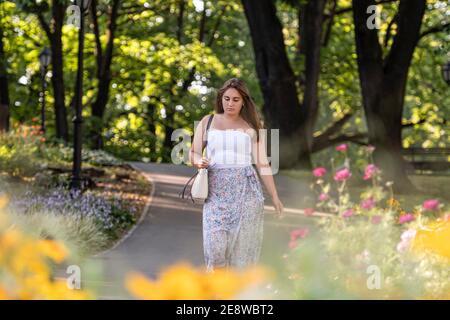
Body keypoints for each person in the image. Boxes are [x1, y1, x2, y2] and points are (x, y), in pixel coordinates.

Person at [189, 78, 284, 272]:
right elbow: (193, 152)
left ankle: (235, 297)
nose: (230, 103)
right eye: (226, 98)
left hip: (246, 192)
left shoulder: (252, 126)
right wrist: (199, 161)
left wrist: (274, 196)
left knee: (242, 254)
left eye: (235, 100)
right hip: (215, 192)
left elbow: (262, 163)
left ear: (243, 102)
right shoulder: (208, 122)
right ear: (221, 99)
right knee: (216, 250)